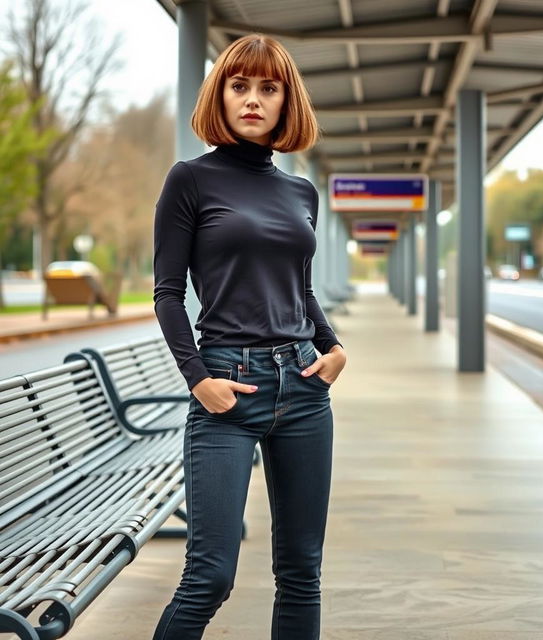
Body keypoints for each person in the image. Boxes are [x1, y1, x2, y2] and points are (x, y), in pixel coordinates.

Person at [151, 33, 347, 640]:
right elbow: (167, 293)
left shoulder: (301, 191)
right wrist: (199, 380)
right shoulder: (190, 180)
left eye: (269, 88)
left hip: (305, 390)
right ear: (221, 94)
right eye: (240, 86)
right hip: (228, 388)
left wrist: (334, 347)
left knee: (301, 571)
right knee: (209, 576)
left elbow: (300, 288)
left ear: (288, 102)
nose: (253, 100)